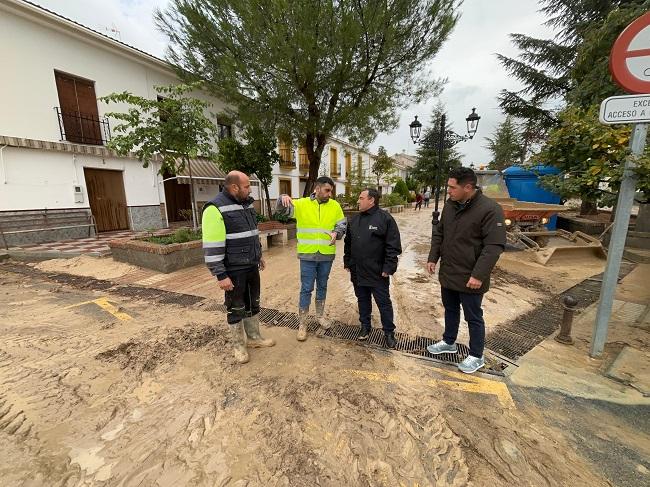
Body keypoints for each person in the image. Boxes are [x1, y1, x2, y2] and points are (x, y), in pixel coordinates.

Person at [425, 167, 506, 373]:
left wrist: (478, 275)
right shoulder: (450, 205)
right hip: (449, 272)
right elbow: (439, 234)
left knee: (473, 317)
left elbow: (493, 246)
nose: (448, 191)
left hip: (471, 276)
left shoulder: (490, 209)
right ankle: (449, 342)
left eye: (452, 187)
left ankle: (477, 355)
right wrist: (433, 257)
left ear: (468, 187)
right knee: (450, 309)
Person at [202, 171, 275, 364]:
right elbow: (212, 247)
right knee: (236, 308)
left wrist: (258, 256)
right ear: (234, 187)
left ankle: (254, 338)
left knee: (253, 303)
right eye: (246, 186)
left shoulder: (246, 204)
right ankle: (238, 346)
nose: (249, 189)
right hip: (233, 270)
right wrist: (220, 275)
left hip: (251, 266)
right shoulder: (215, 208)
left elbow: (252, 233)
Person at [276, 176, 346, 341]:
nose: (330, 194)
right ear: (317, 188)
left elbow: (342, 224)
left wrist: (337, 233)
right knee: (306, 288)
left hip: (326, 254)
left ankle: (320, 316)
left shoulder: (335, 206)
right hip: (307, 255)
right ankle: (303, 323)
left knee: (322, 286)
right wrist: (282, 199)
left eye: (331, 191)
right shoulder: (301, 204)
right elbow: (281, 212)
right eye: (327, 190)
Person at [344, 188, 402, 349]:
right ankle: (365, 326)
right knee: (362, 299)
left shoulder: (385, 219)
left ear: (371, 200)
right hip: (358, 270)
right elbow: (348, 243)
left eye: (361, 198)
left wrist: (389, 267)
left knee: (383, 303)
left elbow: (393, 246)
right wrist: (347, 262)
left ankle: (389, 332)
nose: (358, 201)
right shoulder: (354, 220)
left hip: (378, 271)